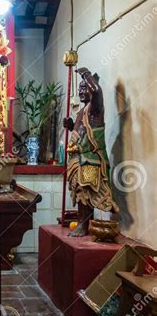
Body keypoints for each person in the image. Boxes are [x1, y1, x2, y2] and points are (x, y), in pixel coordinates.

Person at [64, 67, 118, 237]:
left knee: (85, 191)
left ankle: (82, 223)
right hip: (79, 157)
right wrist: (71, 126)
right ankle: (83, 222)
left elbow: (97, 91)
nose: (81, 91)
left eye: (84, 88)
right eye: (79, 88)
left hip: (90, 159)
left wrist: (86, 74)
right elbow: (84, 131)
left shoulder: (95, 108)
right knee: (80, 190)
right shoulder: (83, 110)